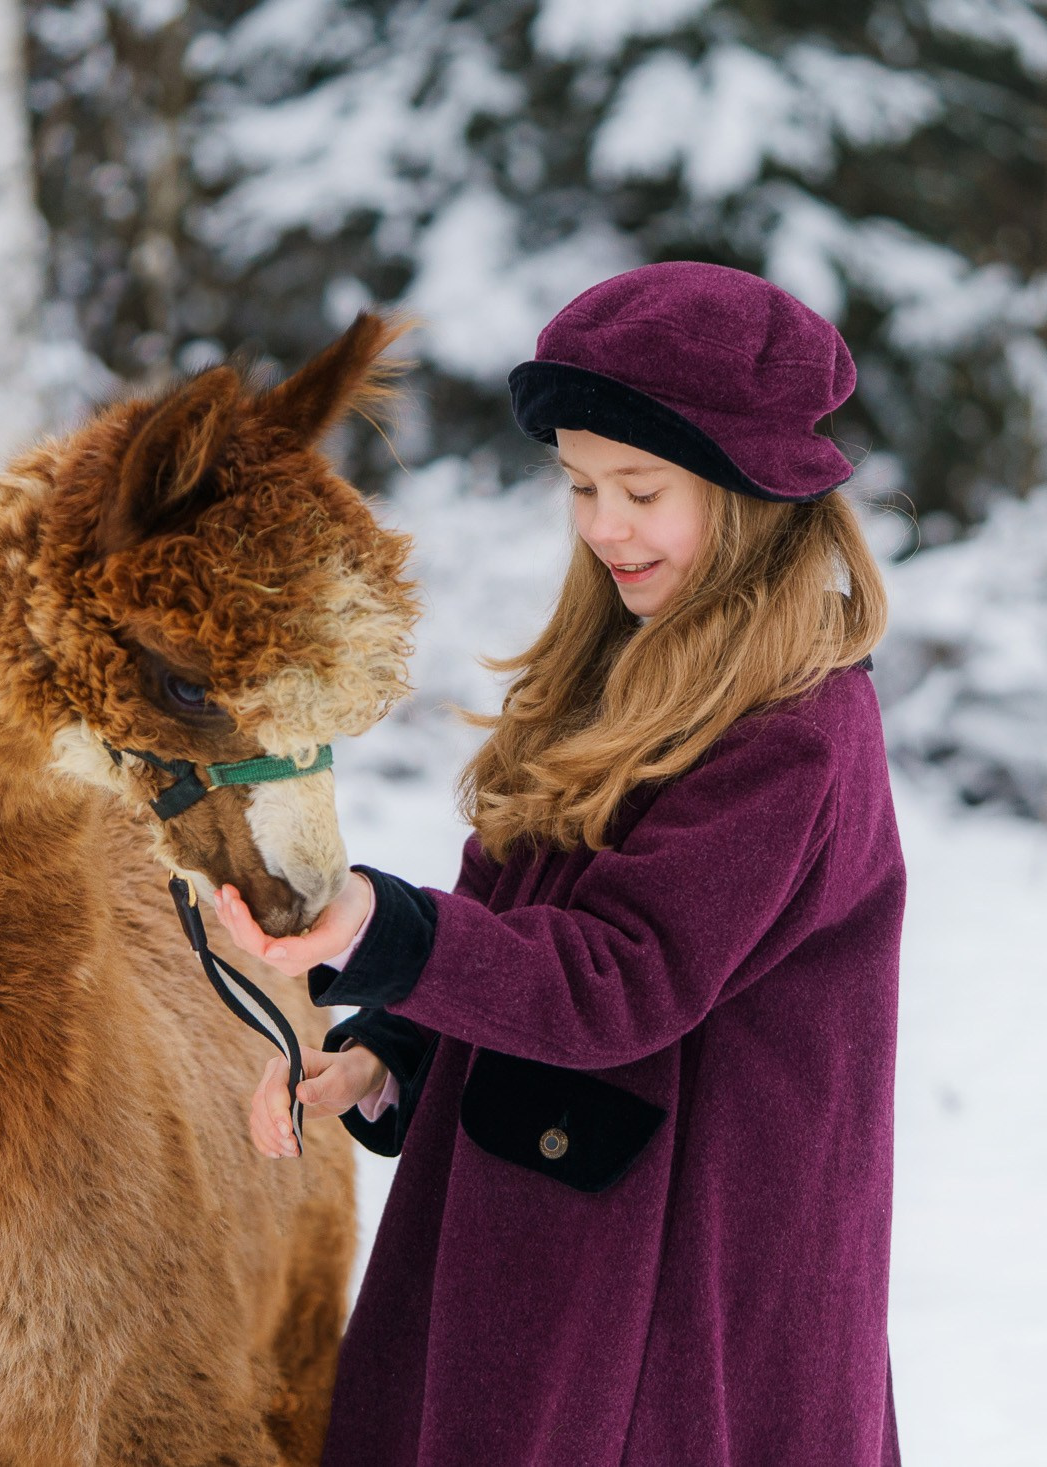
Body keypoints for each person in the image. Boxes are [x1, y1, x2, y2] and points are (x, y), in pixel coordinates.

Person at [212, 260, 906, 1467]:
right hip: (547, 1225)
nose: (601, 526)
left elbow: (620, 978)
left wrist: (383, 925)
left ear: (750, 494)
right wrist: (393, 1047)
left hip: (683, 1276)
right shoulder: (617, 672)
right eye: (580, 486)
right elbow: (516, 912)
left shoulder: (792, 731)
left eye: (642, 488)